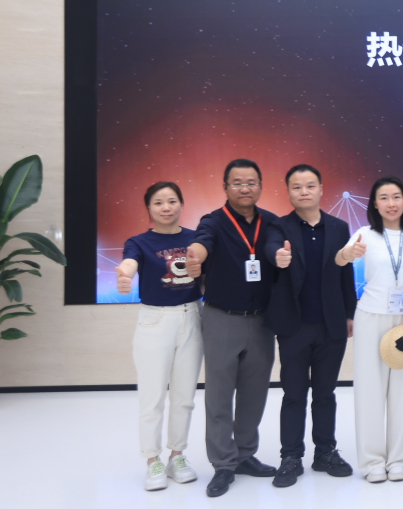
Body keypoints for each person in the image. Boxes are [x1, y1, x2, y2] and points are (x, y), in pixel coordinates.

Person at [186, 159, 280, 498]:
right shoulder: (213, 221)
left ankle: (244, 455)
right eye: (237, 182)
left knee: (255, 394)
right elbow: (202, 243)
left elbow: (274, 249)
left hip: (262, 321)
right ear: (225, 187)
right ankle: (223, 464)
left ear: (261, 186)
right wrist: (195, 256)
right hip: (222, 318)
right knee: (219, 395)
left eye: (251, 182)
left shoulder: (271, 221)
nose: (245, 188)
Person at [261, 164, 357, 487]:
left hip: (331, 324)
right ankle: (291, 456)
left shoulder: (339, 227)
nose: (304, 191)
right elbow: (271, 248)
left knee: (325, 393)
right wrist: (278, 256)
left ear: (320, 189)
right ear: (288, 191)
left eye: (310, 185)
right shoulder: (279, 226)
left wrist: (349, 313)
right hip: (294, 326)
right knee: (294, 394)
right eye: (297, 187)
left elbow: (345, 273)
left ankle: (325, 452)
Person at [116, 182, 203, 492]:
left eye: (172, 201)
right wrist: (124, 274)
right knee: (152, 396)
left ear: (181, 204)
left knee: (184, 396)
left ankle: (177, 456)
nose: (166, 207)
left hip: (192, 317)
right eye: (158, 202)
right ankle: (152, 459)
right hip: (155, 321)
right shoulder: (139, 242)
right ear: (149, 208)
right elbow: (130, 262)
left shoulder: (196, 238)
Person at [342, 175, 403, 483]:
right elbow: (339, 259)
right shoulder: (364, 234)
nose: (391, 203)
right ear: (374, 204)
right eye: (384, 198)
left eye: (396, 197)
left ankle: (399, 459)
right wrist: (348, 254)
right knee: (369, 389)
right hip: (370, 316)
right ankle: (372, 462)